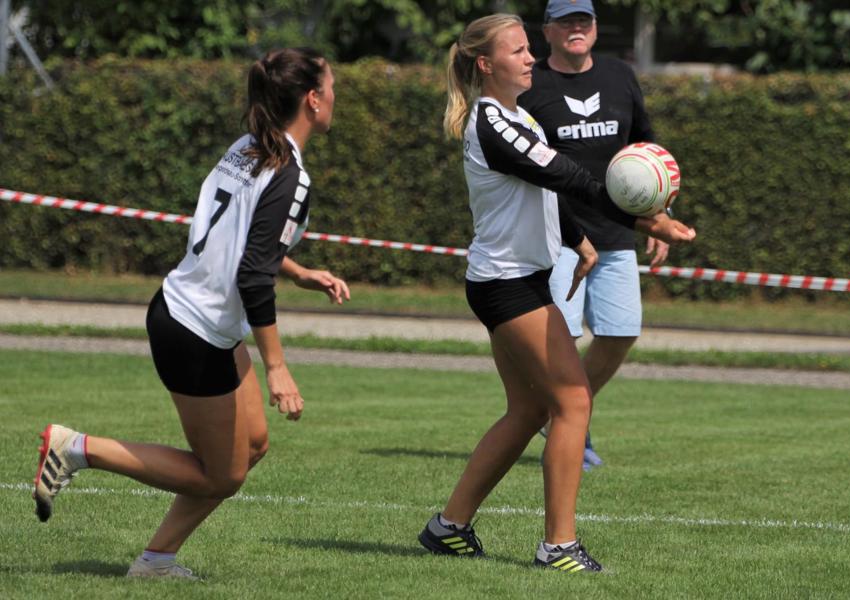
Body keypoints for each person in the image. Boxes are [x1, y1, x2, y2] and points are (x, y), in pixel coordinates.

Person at [31, 47, 349, 581]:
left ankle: (155, 562)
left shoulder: (249, 147)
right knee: (221, 476)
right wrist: (277, 366)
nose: (337, 96)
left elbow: (243, 242)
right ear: (312, 100)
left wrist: (296, 272)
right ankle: (77, 449)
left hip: (195, 320)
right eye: (333, 87)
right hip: (193, 330)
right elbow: (251, 275)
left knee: (253, 446)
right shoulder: (290, 175)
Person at [417, 14, 694, 573]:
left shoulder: (514, 116)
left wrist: (579, 240)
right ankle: (558, 546)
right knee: (572, 403)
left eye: (526, 49)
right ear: (485, 65)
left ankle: (448, 527)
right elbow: (567, 176)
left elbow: (544, 191)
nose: (527, 59)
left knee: (528, 410)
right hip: (507, 285)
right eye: (517, 52)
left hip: (511, 281)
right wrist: (646, 221)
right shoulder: (493, 123)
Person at [519, 0, 665, 471]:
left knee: (622, 333)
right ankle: (571, 424)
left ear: (596, 29)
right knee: (559, 340)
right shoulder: (531, 84)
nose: (575, 28)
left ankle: (561, 412)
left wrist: (659, 212)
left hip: (617, 232)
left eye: (583, 20)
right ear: (547, 31)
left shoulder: (620, 76)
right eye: (565, 21)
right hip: (557, 236)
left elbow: (647, 149)